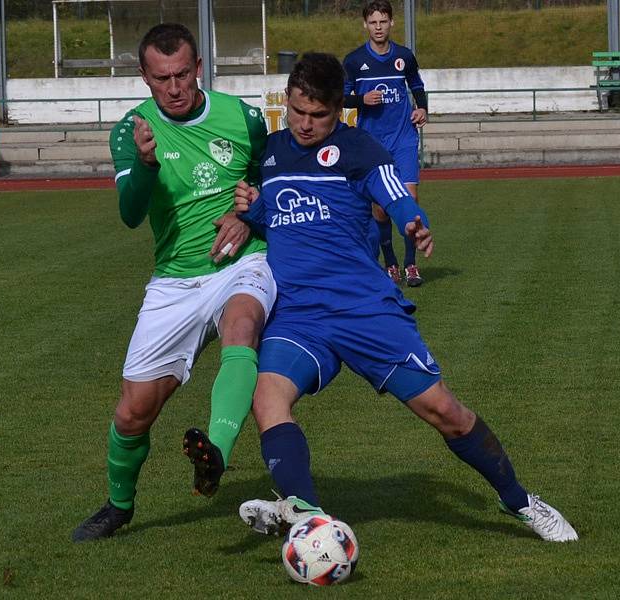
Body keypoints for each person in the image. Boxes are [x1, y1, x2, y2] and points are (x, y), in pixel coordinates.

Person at [233, 53, 578, 543]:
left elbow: (394, 193)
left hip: (364, 310)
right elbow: (276, 217)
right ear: (287, 102)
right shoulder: (271, 154)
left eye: (318, 115)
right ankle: (308, 516)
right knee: (268, 398)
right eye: (297, 112)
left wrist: (412, 219)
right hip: (300, 315)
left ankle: (520, 501)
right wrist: (246, 216)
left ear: (340, 110)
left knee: (445, 413)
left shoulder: (359, 149)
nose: (305, 125)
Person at [71, 23, 275, 542]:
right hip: (175, 281)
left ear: (199, 68)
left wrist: (251, 217)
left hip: (242, 262)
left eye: (183, 74)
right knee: (134, 411)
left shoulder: (244, 118)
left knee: (243, 324)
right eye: (162, 78)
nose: (175, 87)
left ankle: (216, 457)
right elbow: (130, 215)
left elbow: (274, 179)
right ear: (144, 77)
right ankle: (118, 507)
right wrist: (142, 167)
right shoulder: (131, 131)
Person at [343, 0, 429, 287]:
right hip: (372, 142)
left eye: (383, 22)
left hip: (403, 137)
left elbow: (416, 85)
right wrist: (360, 100)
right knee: (380, 208)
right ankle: (390, 262)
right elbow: (341, 97)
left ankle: (411, 265)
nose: (378, 27)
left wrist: (422, 109)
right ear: (365, 25)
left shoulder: (404, 56)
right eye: (373, 22)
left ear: (392, 23)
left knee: (410, 200)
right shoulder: (354, 61)